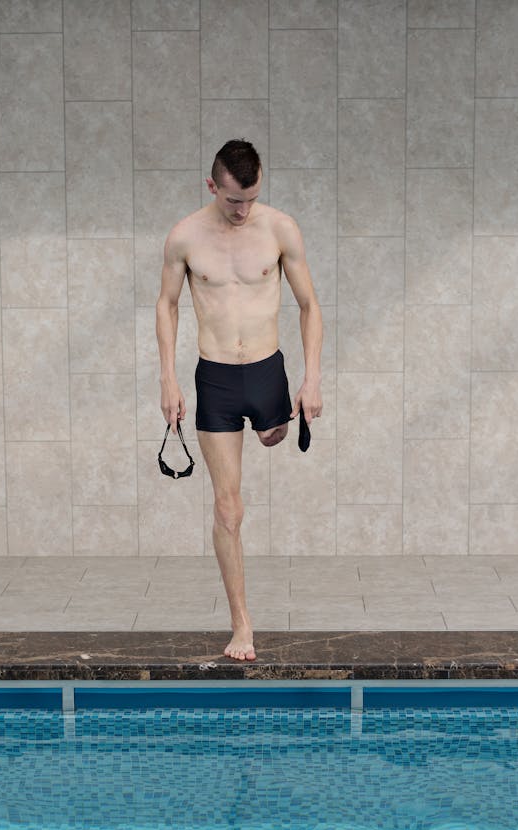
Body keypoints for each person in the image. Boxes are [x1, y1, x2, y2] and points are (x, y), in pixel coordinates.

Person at [156, 139, 323, 661]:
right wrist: (168, 378)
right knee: (229, 508)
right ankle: (242, 624)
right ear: (212, 185)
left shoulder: (279, 229)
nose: (242, 210)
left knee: (275, 435)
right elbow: (166, 305)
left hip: (268, 371)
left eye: (250, 198)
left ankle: (274, 421)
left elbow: (309, 305)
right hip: (218, 380)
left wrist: (312, 377)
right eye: (232, 200)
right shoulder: (185, 236)